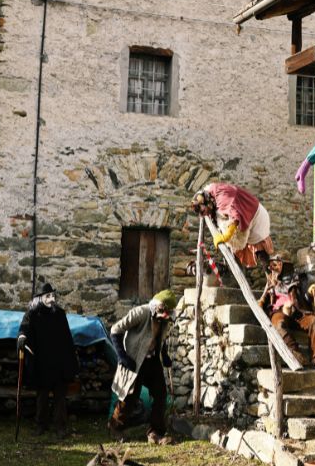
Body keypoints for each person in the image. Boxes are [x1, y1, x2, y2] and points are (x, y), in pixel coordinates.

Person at [108, 289, 177, 445]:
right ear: (159, 307)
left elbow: (160, 338)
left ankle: (155, 432)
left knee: (160, 394)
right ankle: (115, 427)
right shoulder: (141, 312)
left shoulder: (164, 319)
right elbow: (115, 330)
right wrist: (122, 357)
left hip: (152, 360)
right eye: (164, 312)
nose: (165, 317)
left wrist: (164, 355)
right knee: (130, 397)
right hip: (135, 360)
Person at [16, 282, 79, 438]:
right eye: (47, 296)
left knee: (60, 397)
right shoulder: (32, 314)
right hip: (42, 363)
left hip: (59, 363)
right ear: (40, 298)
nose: (51, 299)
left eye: (52, 295)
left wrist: (69, 361)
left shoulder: (59, 314)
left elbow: (67, 338)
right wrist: (22, 337)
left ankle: (60, 427)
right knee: (42, 397)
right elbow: (24, 328)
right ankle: (40, 425)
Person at [257, 253, 315, 370]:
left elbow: (305, 297)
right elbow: (264, 299)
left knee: (312, 320)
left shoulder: (298, 280)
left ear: (285, 265)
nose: (272, 268)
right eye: (271, 265)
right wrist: (262, 303)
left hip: (296, 313)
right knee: (279, 324)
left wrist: (310, 293)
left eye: (275, 265)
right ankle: (296, 355)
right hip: (278, 312)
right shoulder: (272, 281)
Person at [191, 182, 273, 268]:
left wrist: (226, 236)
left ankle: (272, 274)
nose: (205, 214)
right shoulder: (212, 197)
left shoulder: (222, 197)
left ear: (206, 202)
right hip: (247, 216)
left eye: (203, 211)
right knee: (237, 251)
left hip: (255, 216)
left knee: (261, 252)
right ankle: (238, 270)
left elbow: (234, 216)